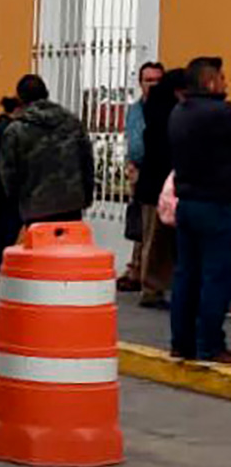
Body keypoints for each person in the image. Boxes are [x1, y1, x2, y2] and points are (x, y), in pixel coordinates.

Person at [168, 56, 231, 363]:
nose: (226, 83)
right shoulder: (221, 114)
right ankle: (210, 344)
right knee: (215, 277)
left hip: (187, 203)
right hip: (217, 205)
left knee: (185, 275)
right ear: (209, 82)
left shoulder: (178, 113)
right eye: (221, 77)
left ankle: (181, 342)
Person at [0, 74, 94, 228]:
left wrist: (18, 201)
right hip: (71, 205)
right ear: (46, 93)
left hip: (35, 209)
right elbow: (87, 163)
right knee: (69, 251)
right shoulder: (73, 123)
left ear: (20, 99)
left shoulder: (15, 131)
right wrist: (86, 197)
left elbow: (9, 175)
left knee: (40, 252)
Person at [135, 68, 184, 309]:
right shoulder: (165, 115)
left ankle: (154, 286)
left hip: (157, 185)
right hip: (158, 186)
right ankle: (151, 288)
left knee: (155, 240)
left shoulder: (157, 111)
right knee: (154, 240)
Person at [121, 62, 166, 292]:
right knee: (140, 223)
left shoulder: (165, 108)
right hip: (138, 169)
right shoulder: (136, 109)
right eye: (148, 81)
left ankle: (140, 271)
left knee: (151, 228)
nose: (153, 85)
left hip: (156, 172)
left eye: (157, 80)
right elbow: (133, 140)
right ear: (140, 83)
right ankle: (136, 269)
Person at [0, 96, 23, 270]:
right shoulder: (9, 129)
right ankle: (3, 256)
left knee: (2, 218)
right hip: (6, 181)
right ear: (16, 110)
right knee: (11, 220)